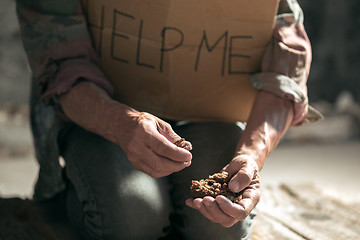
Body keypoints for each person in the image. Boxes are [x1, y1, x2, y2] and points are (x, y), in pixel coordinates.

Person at [15, 0, 321, 239]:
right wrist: (119, 122)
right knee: (130, 220)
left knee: (220, 227)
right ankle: (69, 192)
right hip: (101, 111)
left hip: (210, 115)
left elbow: (285, 69)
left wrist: (251, 154)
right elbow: (62, 63)